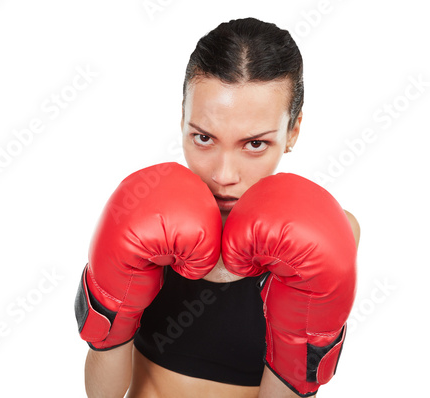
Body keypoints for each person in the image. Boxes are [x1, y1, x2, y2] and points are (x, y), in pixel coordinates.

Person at [75, 17, 361, 398]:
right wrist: (109, 316)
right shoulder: (144, 213)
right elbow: (102, 394)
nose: (225, 175)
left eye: (255, 144)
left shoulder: (330, 233)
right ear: (182, 121)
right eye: (204, 137)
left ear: (292, 131)